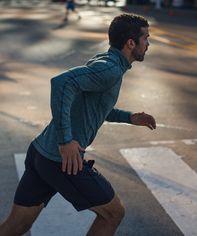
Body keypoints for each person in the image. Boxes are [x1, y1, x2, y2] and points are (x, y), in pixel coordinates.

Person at [0, 13, 156, 236]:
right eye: (146, 38)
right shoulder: (110, 69)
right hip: (61, 162)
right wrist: (66, 140)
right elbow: (61, 82)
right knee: (113, 213)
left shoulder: (108, 62)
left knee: (15, 226)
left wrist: (129, 117)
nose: (148, 44)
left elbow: (91, 106)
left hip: (41, 154)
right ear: (131, 43)